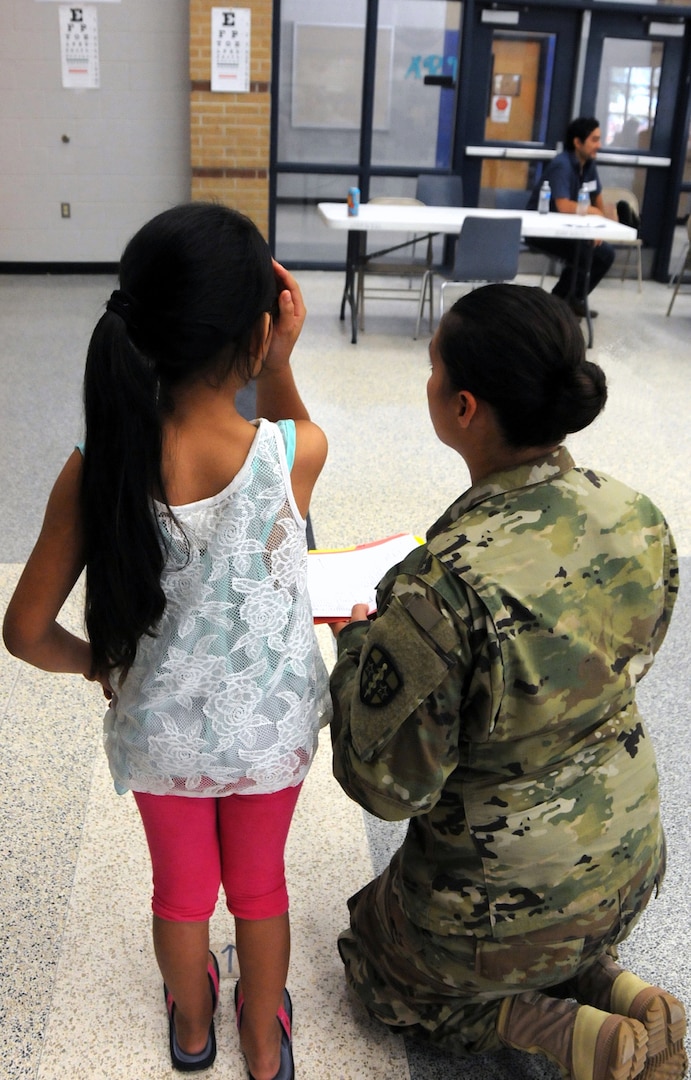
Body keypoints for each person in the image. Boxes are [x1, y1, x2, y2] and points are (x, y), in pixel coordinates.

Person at [2, 202, 330, 1080]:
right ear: (256, 336)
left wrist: (97, 664)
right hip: (270, 735)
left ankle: (192, 1027)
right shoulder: (292, 453)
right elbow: (292, 434)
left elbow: (24, 630)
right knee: (259, 890)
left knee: (181, 897)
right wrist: (283, 360)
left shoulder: (98, 461)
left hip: (162, 737)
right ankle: (264, 1044)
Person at [328, 284, 686, 1080]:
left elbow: (386, 788)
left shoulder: (439, 586)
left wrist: (361, 647)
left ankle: (564, 1031)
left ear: (463, 407)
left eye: (431, 368)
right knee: (549, 925)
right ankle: (617, 987)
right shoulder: (637, 515)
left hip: (500, 900)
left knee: (373, 961)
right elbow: (632, 658)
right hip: (630, 861)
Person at [526, 116, 615, 319]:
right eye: (594, 140)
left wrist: (600, 224)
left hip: (572, 230)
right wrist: (597, 214)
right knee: (583, 250)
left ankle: (569, 301)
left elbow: (597, 199)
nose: (598, 145)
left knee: (606, 254)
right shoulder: (562, 164)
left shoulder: (589, 165)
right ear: (577, 142)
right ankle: (558, 306)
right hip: (541, 231)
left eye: (599, 139)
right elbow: (563, 205)